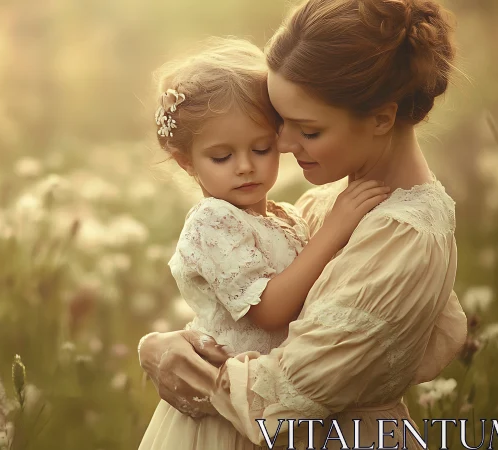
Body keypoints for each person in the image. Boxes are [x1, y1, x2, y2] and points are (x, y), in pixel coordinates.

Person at [137, 1, 468, 449]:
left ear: (381, 118)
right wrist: (168, 346)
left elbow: (288, 396)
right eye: (282, 123)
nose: (286, 145)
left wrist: (172, 361)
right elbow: (245, 314)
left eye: (308, 130)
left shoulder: (406, 239)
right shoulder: (325, 204)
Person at [139, 37, 390, 450]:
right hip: (228, 411)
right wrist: (335, 229)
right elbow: (269, 311)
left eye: (261, 148)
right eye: (221, 157)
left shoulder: (284, 216)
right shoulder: (211, 221)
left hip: (275, 398)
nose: (245, 166)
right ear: (187, 161)